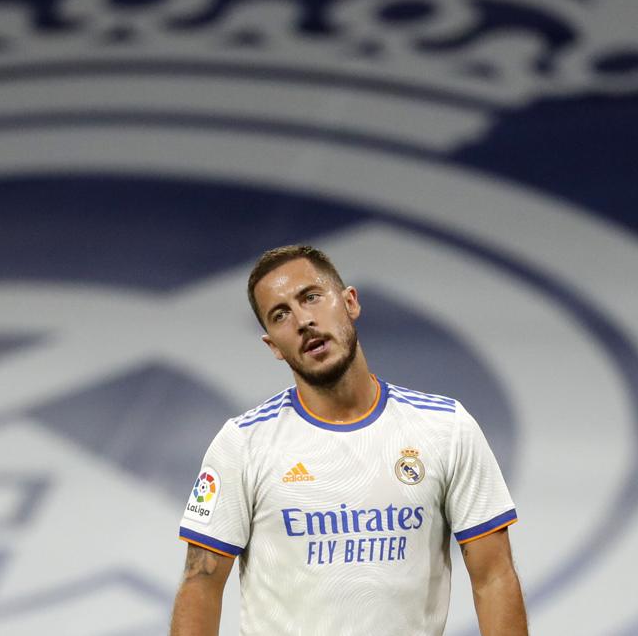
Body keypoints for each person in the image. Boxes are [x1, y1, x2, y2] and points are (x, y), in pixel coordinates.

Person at [169, 244, 527, 636]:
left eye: (311, 297)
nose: (303, 320)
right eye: (281, 314)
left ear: (350, 302)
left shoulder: (446, 427)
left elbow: (494, 577)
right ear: (272, 345)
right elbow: (200, 585)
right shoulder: (243, 443)